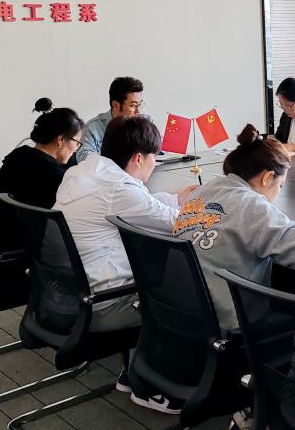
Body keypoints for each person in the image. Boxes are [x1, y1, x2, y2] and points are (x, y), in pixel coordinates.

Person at [54, 115, 195, 414]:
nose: (155, 163)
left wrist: (174, 198)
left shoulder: (82, 172)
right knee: (182, 291)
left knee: (152, 271)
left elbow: (139, 205)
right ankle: (152, 386)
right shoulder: (118, 188)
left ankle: (133, 372)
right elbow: (177, 224)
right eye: (154, 156)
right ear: (138, 158)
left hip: (67, 293)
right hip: (103, 304)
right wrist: (205, 207)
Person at [172, 124, 295, 331]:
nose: (279, 192)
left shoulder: (200, 192)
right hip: (227, 320)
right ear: (267, 177)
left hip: (178, 312)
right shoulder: (253, 207)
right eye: (280, 185)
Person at [0, 98, 83, 253]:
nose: (76, 149)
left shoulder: (19, 156)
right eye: (76, 143)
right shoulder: (54, 175)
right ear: (60, 140)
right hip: (21, 247)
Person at [77, 76, 145, 160]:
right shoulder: (93, 128)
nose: (138, 111)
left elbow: (155, 151)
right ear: (115, 105)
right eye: (133, 105)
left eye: (140, 105)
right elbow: (83, 156)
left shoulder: (145, 123)